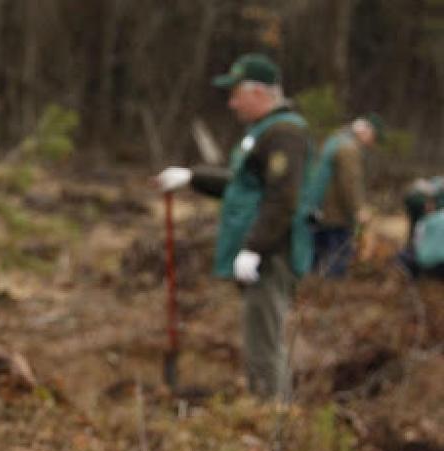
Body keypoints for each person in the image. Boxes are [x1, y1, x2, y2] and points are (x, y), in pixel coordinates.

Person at [155, 53, 313, 400]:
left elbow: (282, 198)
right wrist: (194, 177)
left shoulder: (285, 134)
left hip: (272, 254)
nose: (231, 103)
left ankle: (272, 418)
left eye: (236, 93)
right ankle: (267, 410)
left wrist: (254, 249)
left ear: (258, 93)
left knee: (264, 342)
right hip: (260, 251)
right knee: (259, 337)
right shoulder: (263, 132)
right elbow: (243, 185)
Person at [301, 113, 383, 277]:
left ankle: (310, 287)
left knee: (316, 254)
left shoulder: (334, 141)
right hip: (335, 214)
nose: (372, 143)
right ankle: (330, 292)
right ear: (366, 131)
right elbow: (350, 183)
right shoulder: (349, 149)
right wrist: (358, 209)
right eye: (373, 137)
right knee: (338, 255)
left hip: (318, 209)